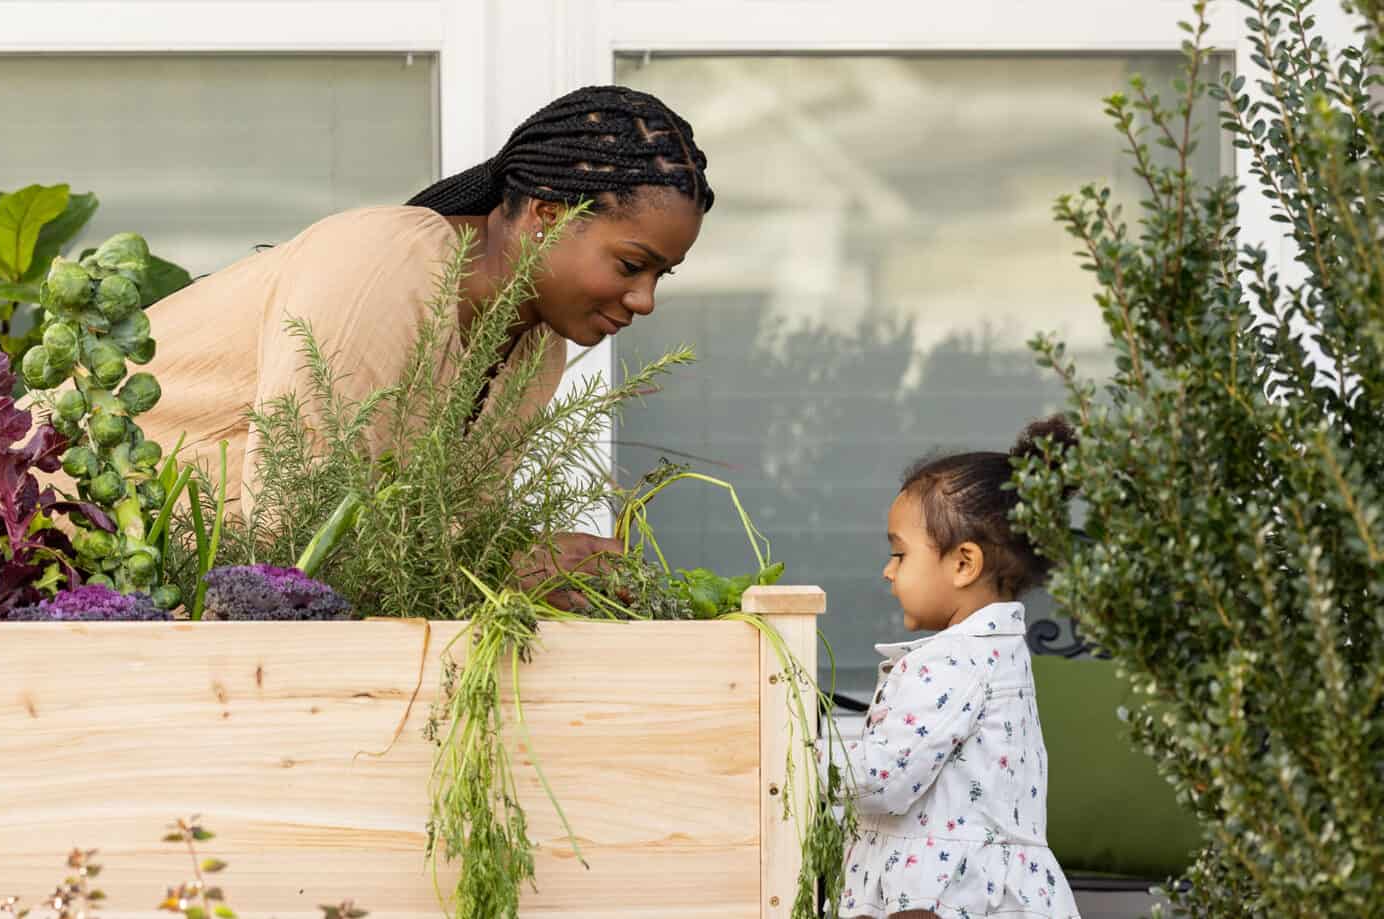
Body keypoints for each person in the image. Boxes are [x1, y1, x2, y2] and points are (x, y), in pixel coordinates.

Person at [137, 84, 713, 582]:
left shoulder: (537, 346)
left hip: (189, 609)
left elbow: (442, 532)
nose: (645, 299)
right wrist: (509, 567)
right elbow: (299, 534)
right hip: (71, 555)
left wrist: (529, 567)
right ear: (546, 216)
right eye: (631, 264)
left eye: (662, 274)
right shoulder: (385, 264)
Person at [841, 416, 1084, 919]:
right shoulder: (990, 654)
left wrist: (795, 759)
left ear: (962, 564)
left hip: (953, 902)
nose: (888, 570)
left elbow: (883, 780)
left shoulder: (955, 662)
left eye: (899, 553)